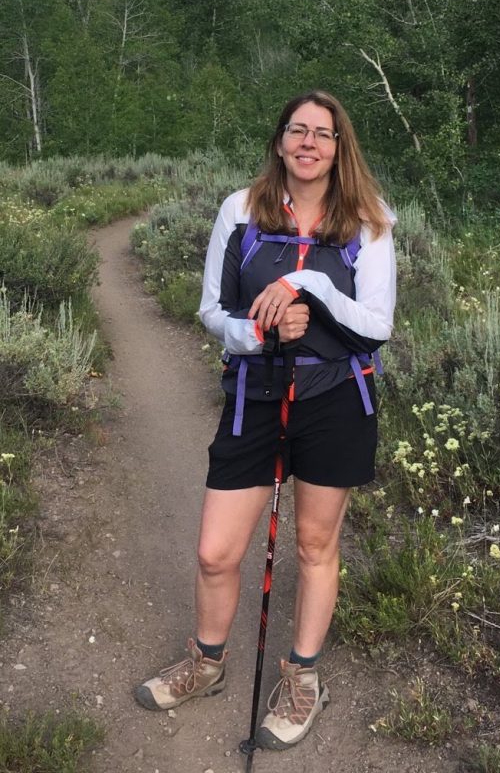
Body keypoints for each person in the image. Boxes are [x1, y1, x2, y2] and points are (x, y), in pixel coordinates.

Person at [134, 90, 396, 750]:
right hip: (256, 391)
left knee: (313, 546)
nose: (309, 143)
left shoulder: (370, 219)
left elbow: (376, 325)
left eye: (323, 134)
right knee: (215, 551)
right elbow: (211, 311)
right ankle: (208, 661)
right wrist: (258, 330)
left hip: (337, 399)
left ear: (340, 147)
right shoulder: (239, 210)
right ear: (279, 141)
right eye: (297, 130)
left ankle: (303, 676)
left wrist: (310, 288)